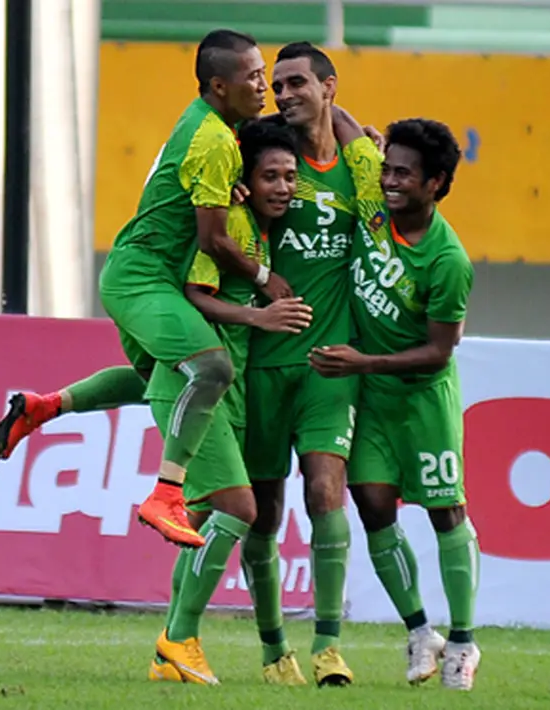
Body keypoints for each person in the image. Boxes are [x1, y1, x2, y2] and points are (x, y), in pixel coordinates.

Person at [0, 29, 291, 550]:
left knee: (155, 377)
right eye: (254, 77)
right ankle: (166, 494)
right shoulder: (216, 141)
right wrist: (266, 282)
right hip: (143, 278)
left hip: (143, 274)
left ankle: (46, 407)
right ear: (219, 86)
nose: (264, 86)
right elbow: (213, 239)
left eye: (265, 74)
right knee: (214, 372)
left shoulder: (211, 127)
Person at [308, 112, 482, 690]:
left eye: (404, 174)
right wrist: (324, 99)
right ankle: (418, 630)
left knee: (444, 512)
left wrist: (364, 362)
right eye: (388, 168)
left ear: (436, 183)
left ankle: (462, 642)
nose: (389, 179)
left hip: (422, 399)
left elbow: (438, 352)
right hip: (373, 397)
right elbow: (335, 112)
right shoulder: (374, 206)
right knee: (375, 507)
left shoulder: (448, 261)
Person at [147, 119, 311, 685]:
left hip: (233, 390)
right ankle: (179, 639)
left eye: (290, 176)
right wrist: (258, 314)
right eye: (270, 176)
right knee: (240, 510)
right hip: (208, 384)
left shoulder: (259, 226)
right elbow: (196, 293)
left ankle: (168, 651)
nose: (284, 186)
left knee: (201, 517)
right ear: (245, 182)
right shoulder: (233, 223)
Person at [236, 41, 363, 688]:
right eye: (276, 84)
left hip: (327, 365)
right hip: (260, 363)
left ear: (327, 86)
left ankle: (328, 647)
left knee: (323, 490)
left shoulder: (359, 166)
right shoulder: (265, 161)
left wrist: (348, 126)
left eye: (295, 84)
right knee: (261, 511)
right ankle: (270, 648)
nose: (282, 94)